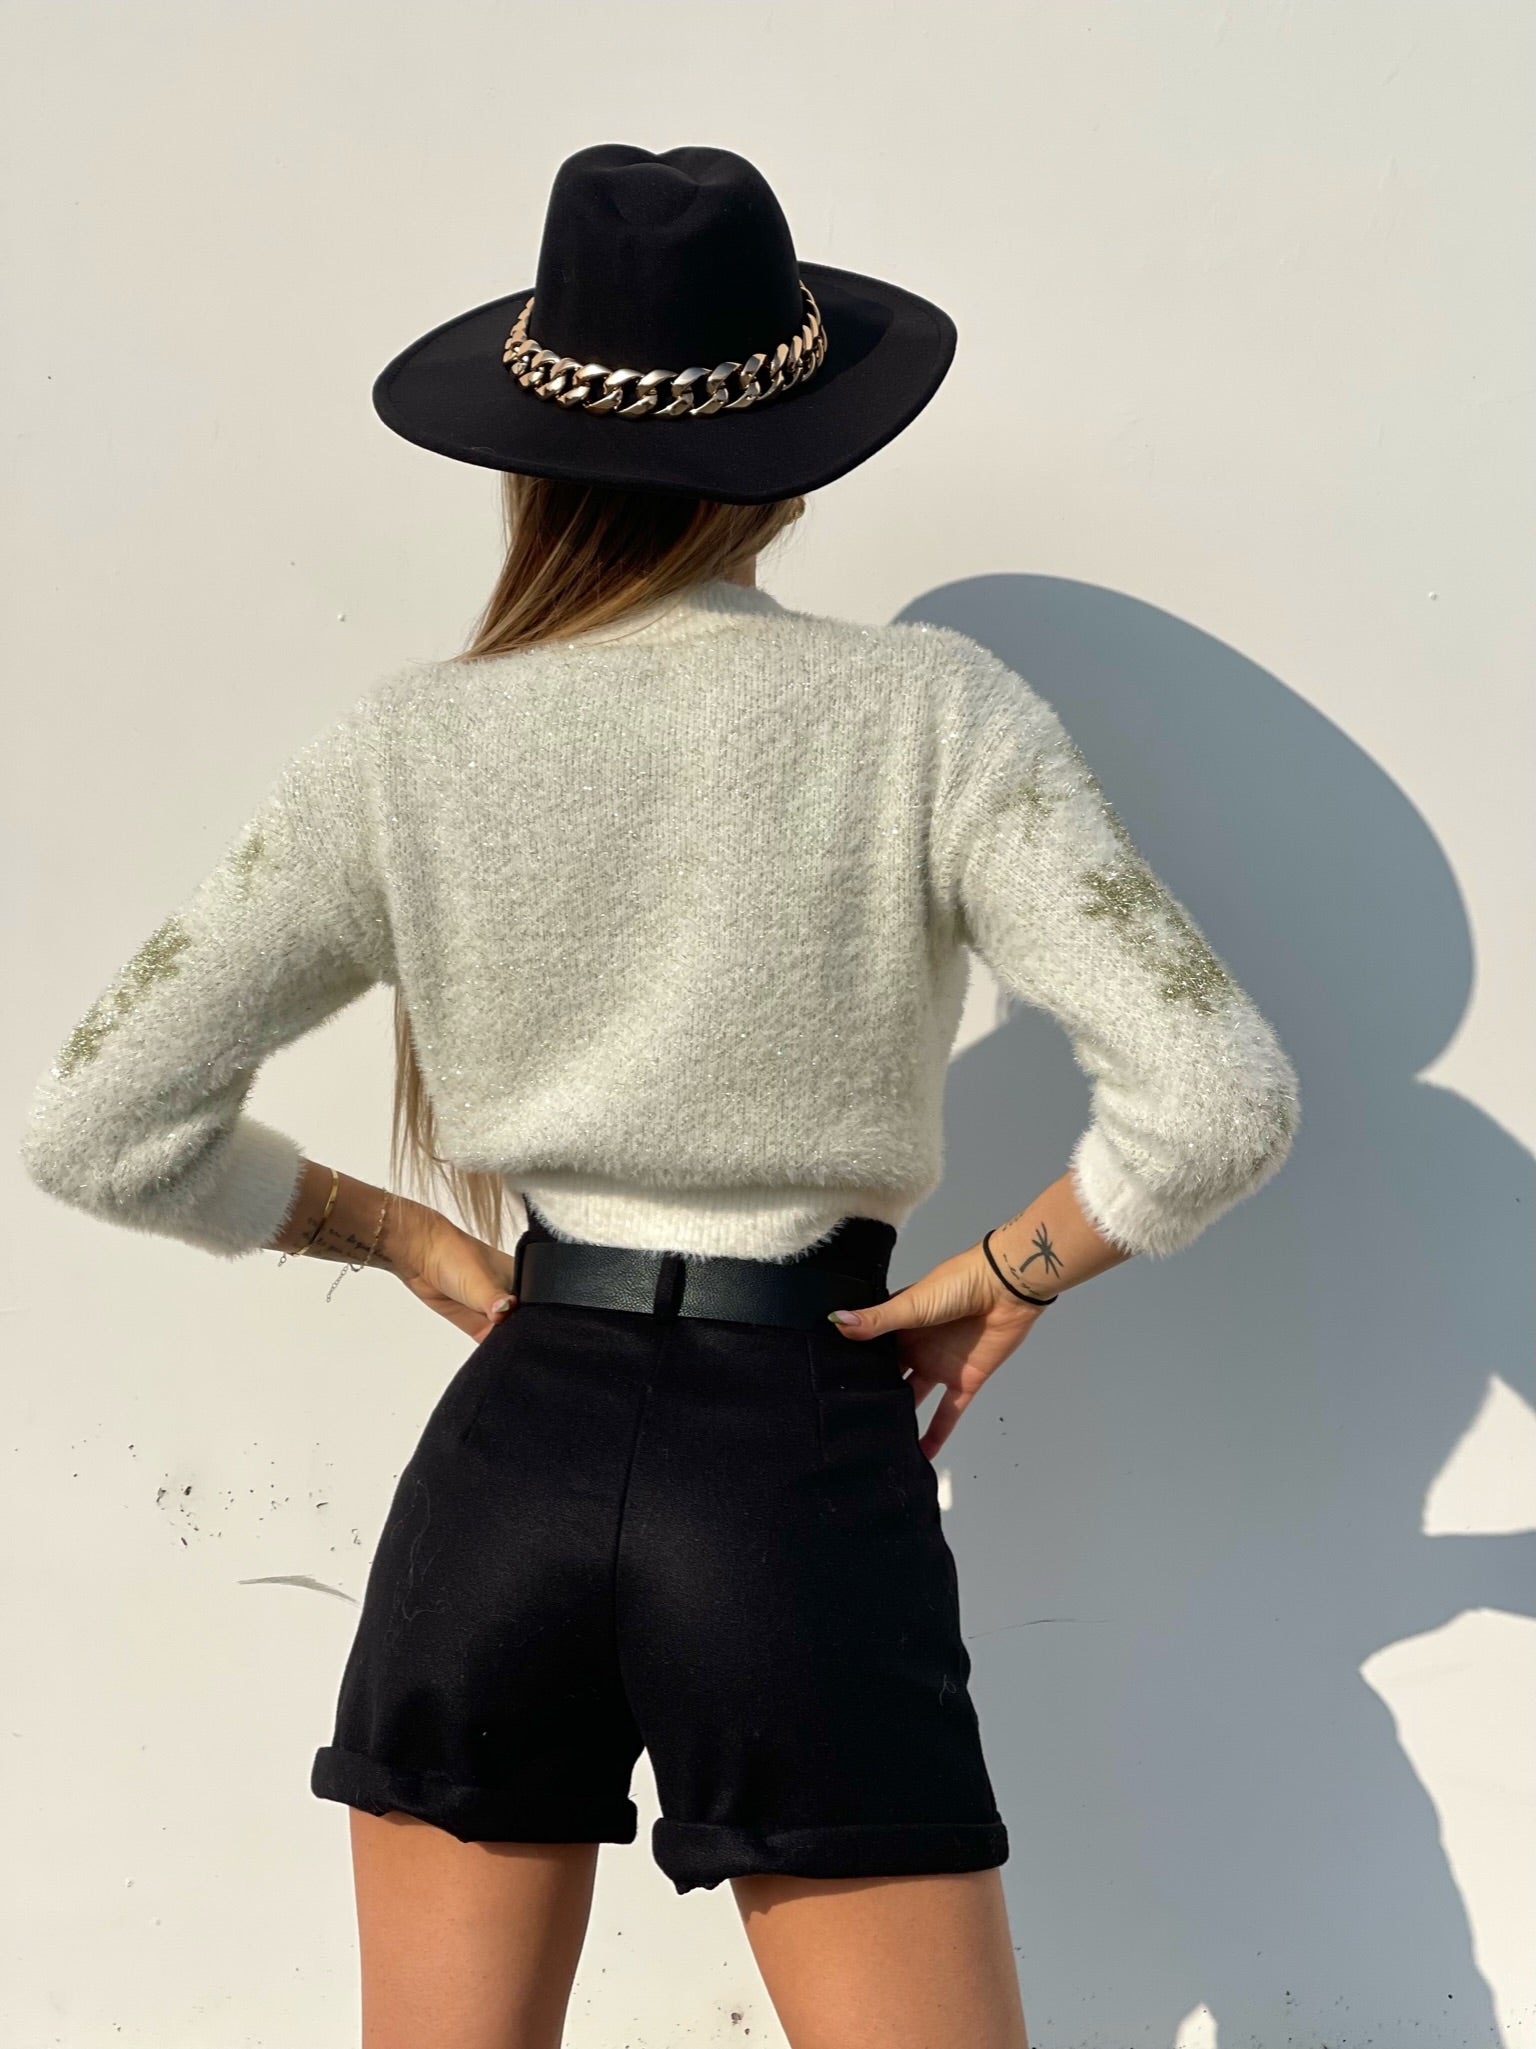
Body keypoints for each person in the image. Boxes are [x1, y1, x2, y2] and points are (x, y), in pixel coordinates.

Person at [19, 144, 1300, 2049]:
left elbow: (97, 1121)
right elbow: (1217, 1096)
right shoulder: (933, 713)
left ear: (527, 452)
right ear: (790, 467)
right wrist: (1003, 1275)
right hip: (797, 1462)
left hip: (505, 1461)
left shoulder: (407, 743)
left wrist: (398, 1236)